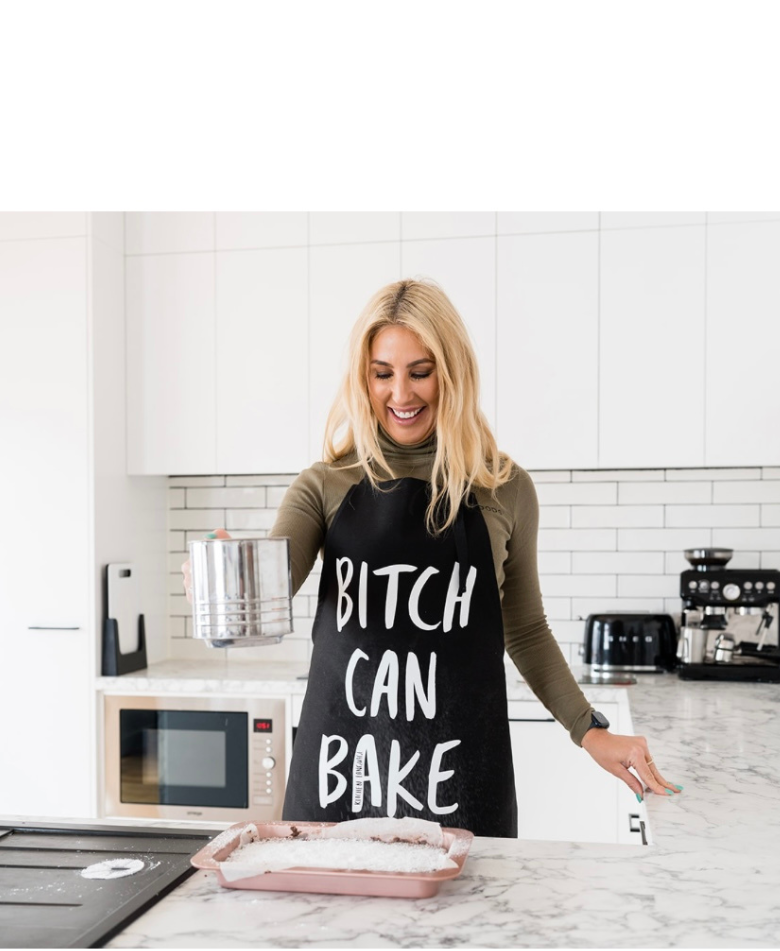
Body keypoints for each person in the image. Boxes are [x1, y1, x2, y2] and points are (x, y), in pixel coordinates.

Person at [184, 278, 681, 837]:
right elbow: (269, 589)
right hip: (340, 782)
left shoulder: (504, 488)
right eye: (382, 373)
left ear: (453, 372)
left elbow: (525, 629)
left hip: (461, 785)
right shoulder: (324, 485)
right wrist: (224, 578)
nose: (401, 393)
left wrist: (589, 729)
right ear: (363, 378)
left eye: (420, 372)